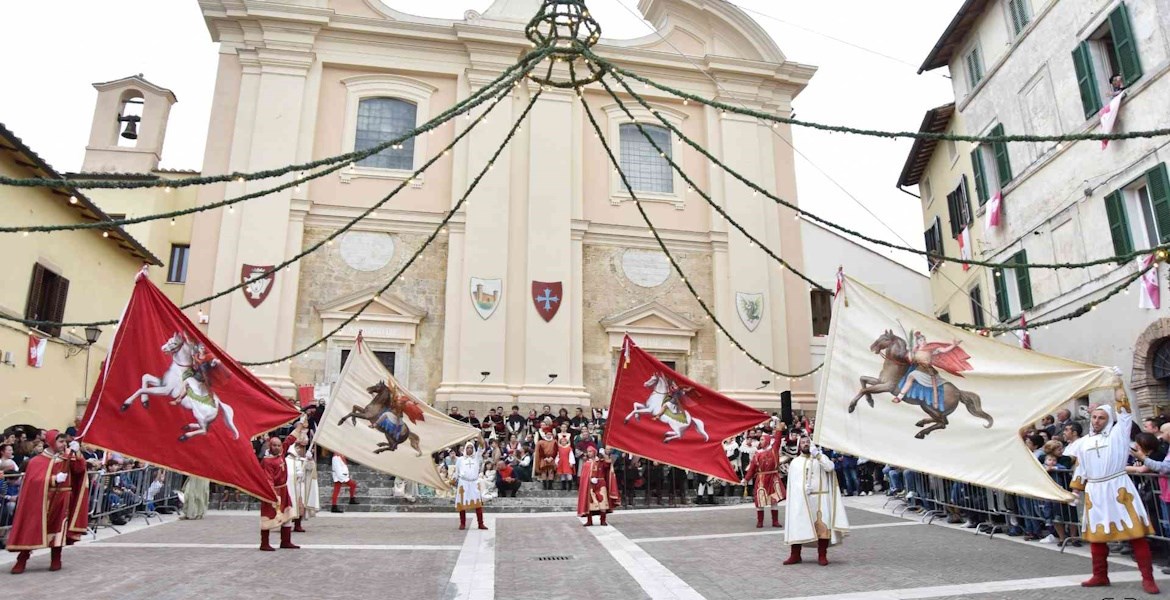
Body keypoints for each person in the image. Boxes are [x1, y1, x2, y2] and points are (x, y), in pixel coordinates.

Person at [1067, 391, 1158, 593]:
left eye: (1101, 418)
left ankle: (1148, 579)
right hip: (1095, 491)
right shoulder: (1083, 442)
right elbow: (1081, 468)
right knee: (1097, 536)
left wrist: (1119, 390)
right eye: (1094, 417)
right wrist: (1075, 491)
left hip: (1119, 488)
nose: (1096, 421)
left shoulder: (1118, 435)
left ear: (1108, 420)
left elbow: (1125, 413)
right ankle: (1100, 575)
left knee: (1136, 534)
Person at [7, 430, 89, 574]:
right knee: (32, 527)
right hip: (42, 500)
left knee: (59, 529)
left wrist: (78, 454)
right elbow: (33, 482)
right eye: (60, 441)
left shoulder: (67, 457)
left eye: (65, 442)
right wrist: (53, 479)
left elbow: (79, 470)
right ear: (51, 442)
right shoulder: (37, 461)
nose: (64, 444)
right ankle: (22, 558)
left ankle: (56, 558)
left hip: (63, 498)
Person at [783, 436, 848, 567]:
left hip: (820, 497)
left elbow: (830, 467)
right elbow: (793, 485)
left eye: (808, 442)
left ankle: (822, 555)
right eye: (803, 442)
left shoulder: (820, 458)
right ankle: (795, 554)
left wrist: (817, 455)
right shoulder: (795, 462)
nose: (805, 444)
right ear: (799, 446)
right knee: (798, 525)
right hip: (802, 499)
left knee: (822, 526)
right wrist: (802, 489)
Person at [259, 429, 299, 551]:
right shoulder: (267, 461)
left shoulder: (281, 454)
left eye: (279, 445)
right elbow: (268, 479)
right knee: (268, 516)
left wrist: (300, 427)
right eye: (274, 445)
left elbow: (289, 440)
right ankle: (264, 543)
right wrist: (273, 495)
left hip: (283, 490)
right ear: (270, 446)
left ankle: (286, 541)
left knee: (288, 515)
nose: (277, 447)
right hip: (272, 492)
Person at [743, 434, 788, 528]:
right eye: (760, 439)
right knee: (760, 500)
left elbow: (778, 440)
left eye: (763, 439)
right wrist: (746, 479)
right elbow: (752, 469)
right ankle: (760, 522)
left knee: (774, 500)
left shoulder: (774, 450)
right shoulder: (757, 454)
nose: (761, 441)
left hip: (773, 478)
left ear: (767, 440)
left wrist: (779, 429)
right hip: (761, 479)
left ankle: (775, 521)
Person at [577, 446, 619, 526]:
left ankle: (603, 520)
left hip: (601, 484)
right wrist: (590, 479)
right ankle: (589, 521)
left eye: (590, 451)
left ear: (594, 452)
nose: (589, 453)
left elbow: (608, 464)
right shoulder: (586, 463)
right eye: (588, 452)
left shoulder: (601, 461)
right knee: (590, 503)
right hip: (590, 485)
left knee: (603, 502)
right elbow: (584, 476)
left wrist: (604, 454)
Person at [286, 438, 319, 533]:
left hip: (301, 486)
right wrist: (295, 474)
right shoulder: (288, 460)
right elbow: (287, 474)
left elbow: (310, 469)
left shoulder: (304, 459)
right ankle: (286, 524)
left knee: (301, 505)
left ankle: (298, 524)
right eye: (299, 447)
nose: (301, 449)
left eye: (303, 447)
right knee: (290, 504)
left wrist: (310, 459)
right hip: (291, 486)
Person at [454, 441, 488, 530]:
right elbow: (457, 471)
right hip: (463, 482)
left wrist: (479, 436)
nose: (469, 449)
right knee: (462, 503)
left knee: (478, 504)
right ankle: (462, 523)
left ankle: (480, 523)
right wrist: (453, 480)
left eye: (471, 448)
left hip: (474, 483)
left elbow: (481, 446)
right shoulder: (460, 459)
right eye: (468, 448)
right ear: (465, 449)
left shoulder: (476, 457)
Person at [533, 424, 558, 490]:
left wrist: (551, 458)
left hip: (552, 458)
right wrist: (545, 458)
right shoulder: (541, 442)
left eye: (550, 434)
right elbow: (540, 451)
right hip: (544, 458)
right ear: (545, 435)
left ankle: (550, 486)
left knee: (551, 471)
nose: (549, 435)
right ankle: (544, 486)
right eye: (548, 434)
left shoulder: (554, 441)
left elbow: (556, 450)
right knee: (543, 471)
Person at [555, 426, 576, 490]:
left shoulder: (569, 448)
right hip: (561, 462)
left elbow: (571, 456)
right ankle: (563, 486)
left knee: (568, 474)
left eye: (564, 441)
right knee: (562, 474)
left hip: (567, 462)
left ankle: (569, 486)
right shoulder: (559, 448)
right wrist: (556, 462)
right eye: (562, 441)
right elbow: (558, 456)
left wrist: (571, 462)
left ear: (566, 442)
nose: (563, 442)